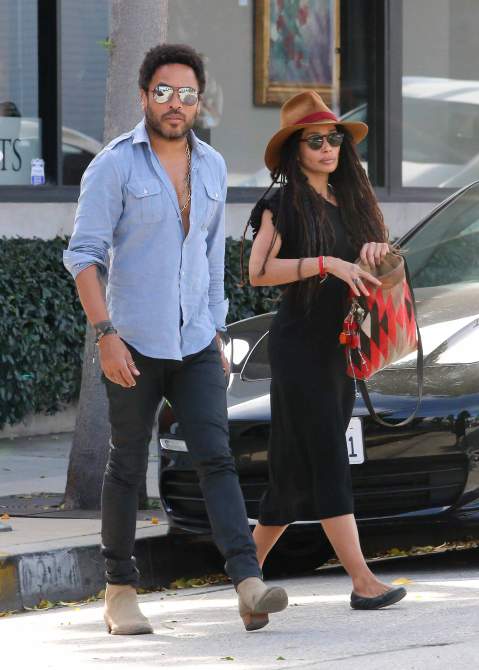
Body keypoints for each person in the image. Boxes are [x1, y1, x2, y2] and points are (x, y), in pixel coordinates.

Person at [63, 43, 287, 635]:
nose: (175, 103)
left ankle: (247, 581)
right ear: (144, 97)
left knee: (216, 457)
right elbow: (84, 257)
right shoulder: (113, 165)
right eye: (163, 91)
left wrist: (216, 329)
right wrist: (105, 335)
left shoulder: (211, 166)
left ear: (198, 101)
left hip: (195, 343)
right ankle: (119, 591)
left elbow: (211, 257)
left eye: (187, 94)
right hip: (132, 342)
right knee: (126, 465)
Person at [245, 90, 407, 610]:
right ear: (295, 150)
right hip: (301, 349)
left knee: (290, 478)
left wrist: (377, 253)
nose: (327, 148)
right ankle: (362, 580)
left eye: (333, 138)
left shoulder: (351, 202)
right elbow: (257, 272)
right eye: (314, 141)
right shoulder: (282, 205)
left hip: (341, 348)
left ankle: (245, 581)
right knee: (330, 458)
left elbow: (377, 276)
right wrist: (324, 264)